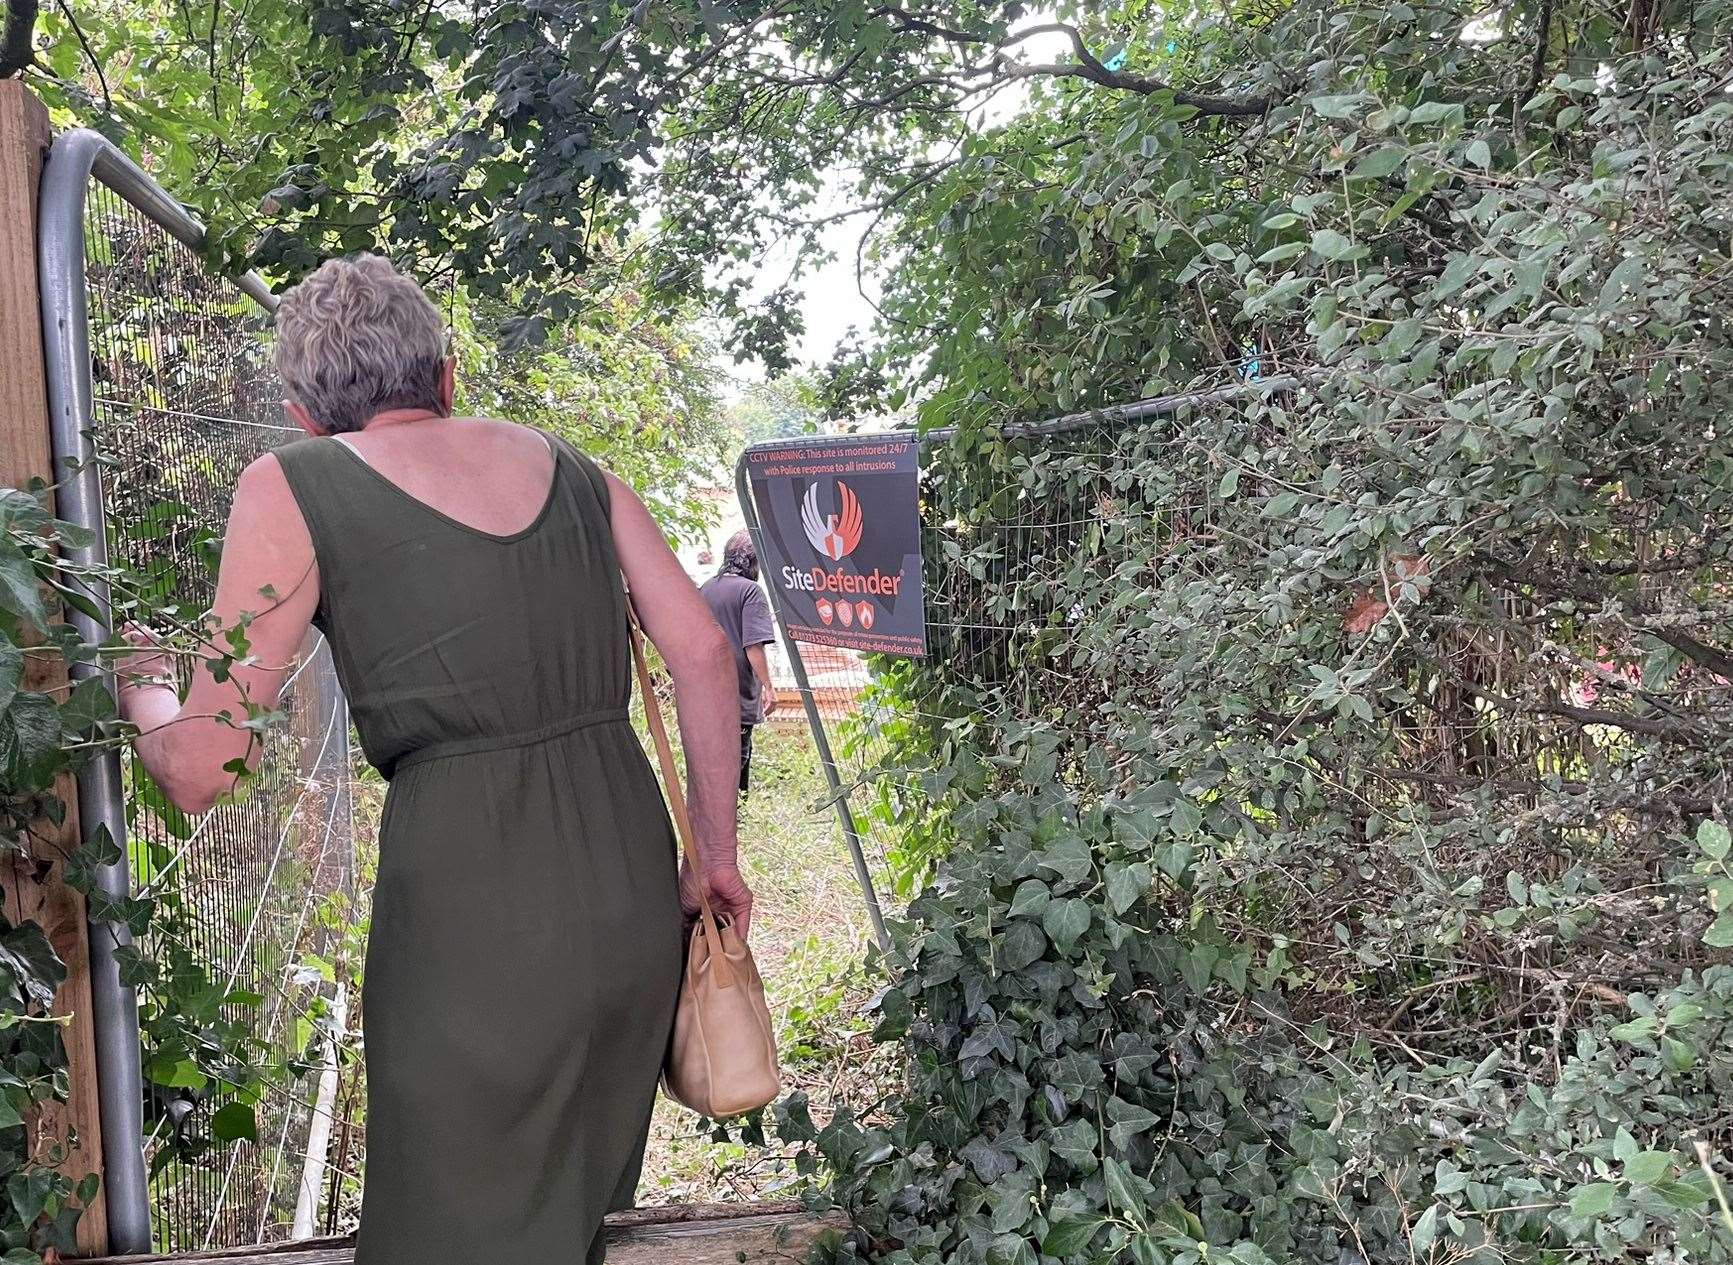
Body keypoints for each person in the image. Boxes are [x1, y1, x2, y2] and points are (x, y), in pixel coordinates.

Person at [114, 254, 752, 1264]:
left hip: (469, 904)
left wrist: (142, 686)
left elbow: (199, 767)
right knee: (567, 1211)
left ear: (301, 413)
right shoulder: (576, 469)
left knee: (445, 1225)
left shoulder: (293, 482)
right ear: (447, 377)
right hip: (625, 878)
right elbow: (705, 653)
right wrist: (711, 854)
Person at [700, 531, 778, 796]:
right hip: (737, 696)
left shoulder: (706, 588)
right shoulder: (751, 592)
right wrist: (769, 686)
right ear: (754, 563)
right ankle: (733, 825)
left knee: (712, 766)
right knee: (736, 765)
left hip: (706, 696)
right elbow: (753, 645)